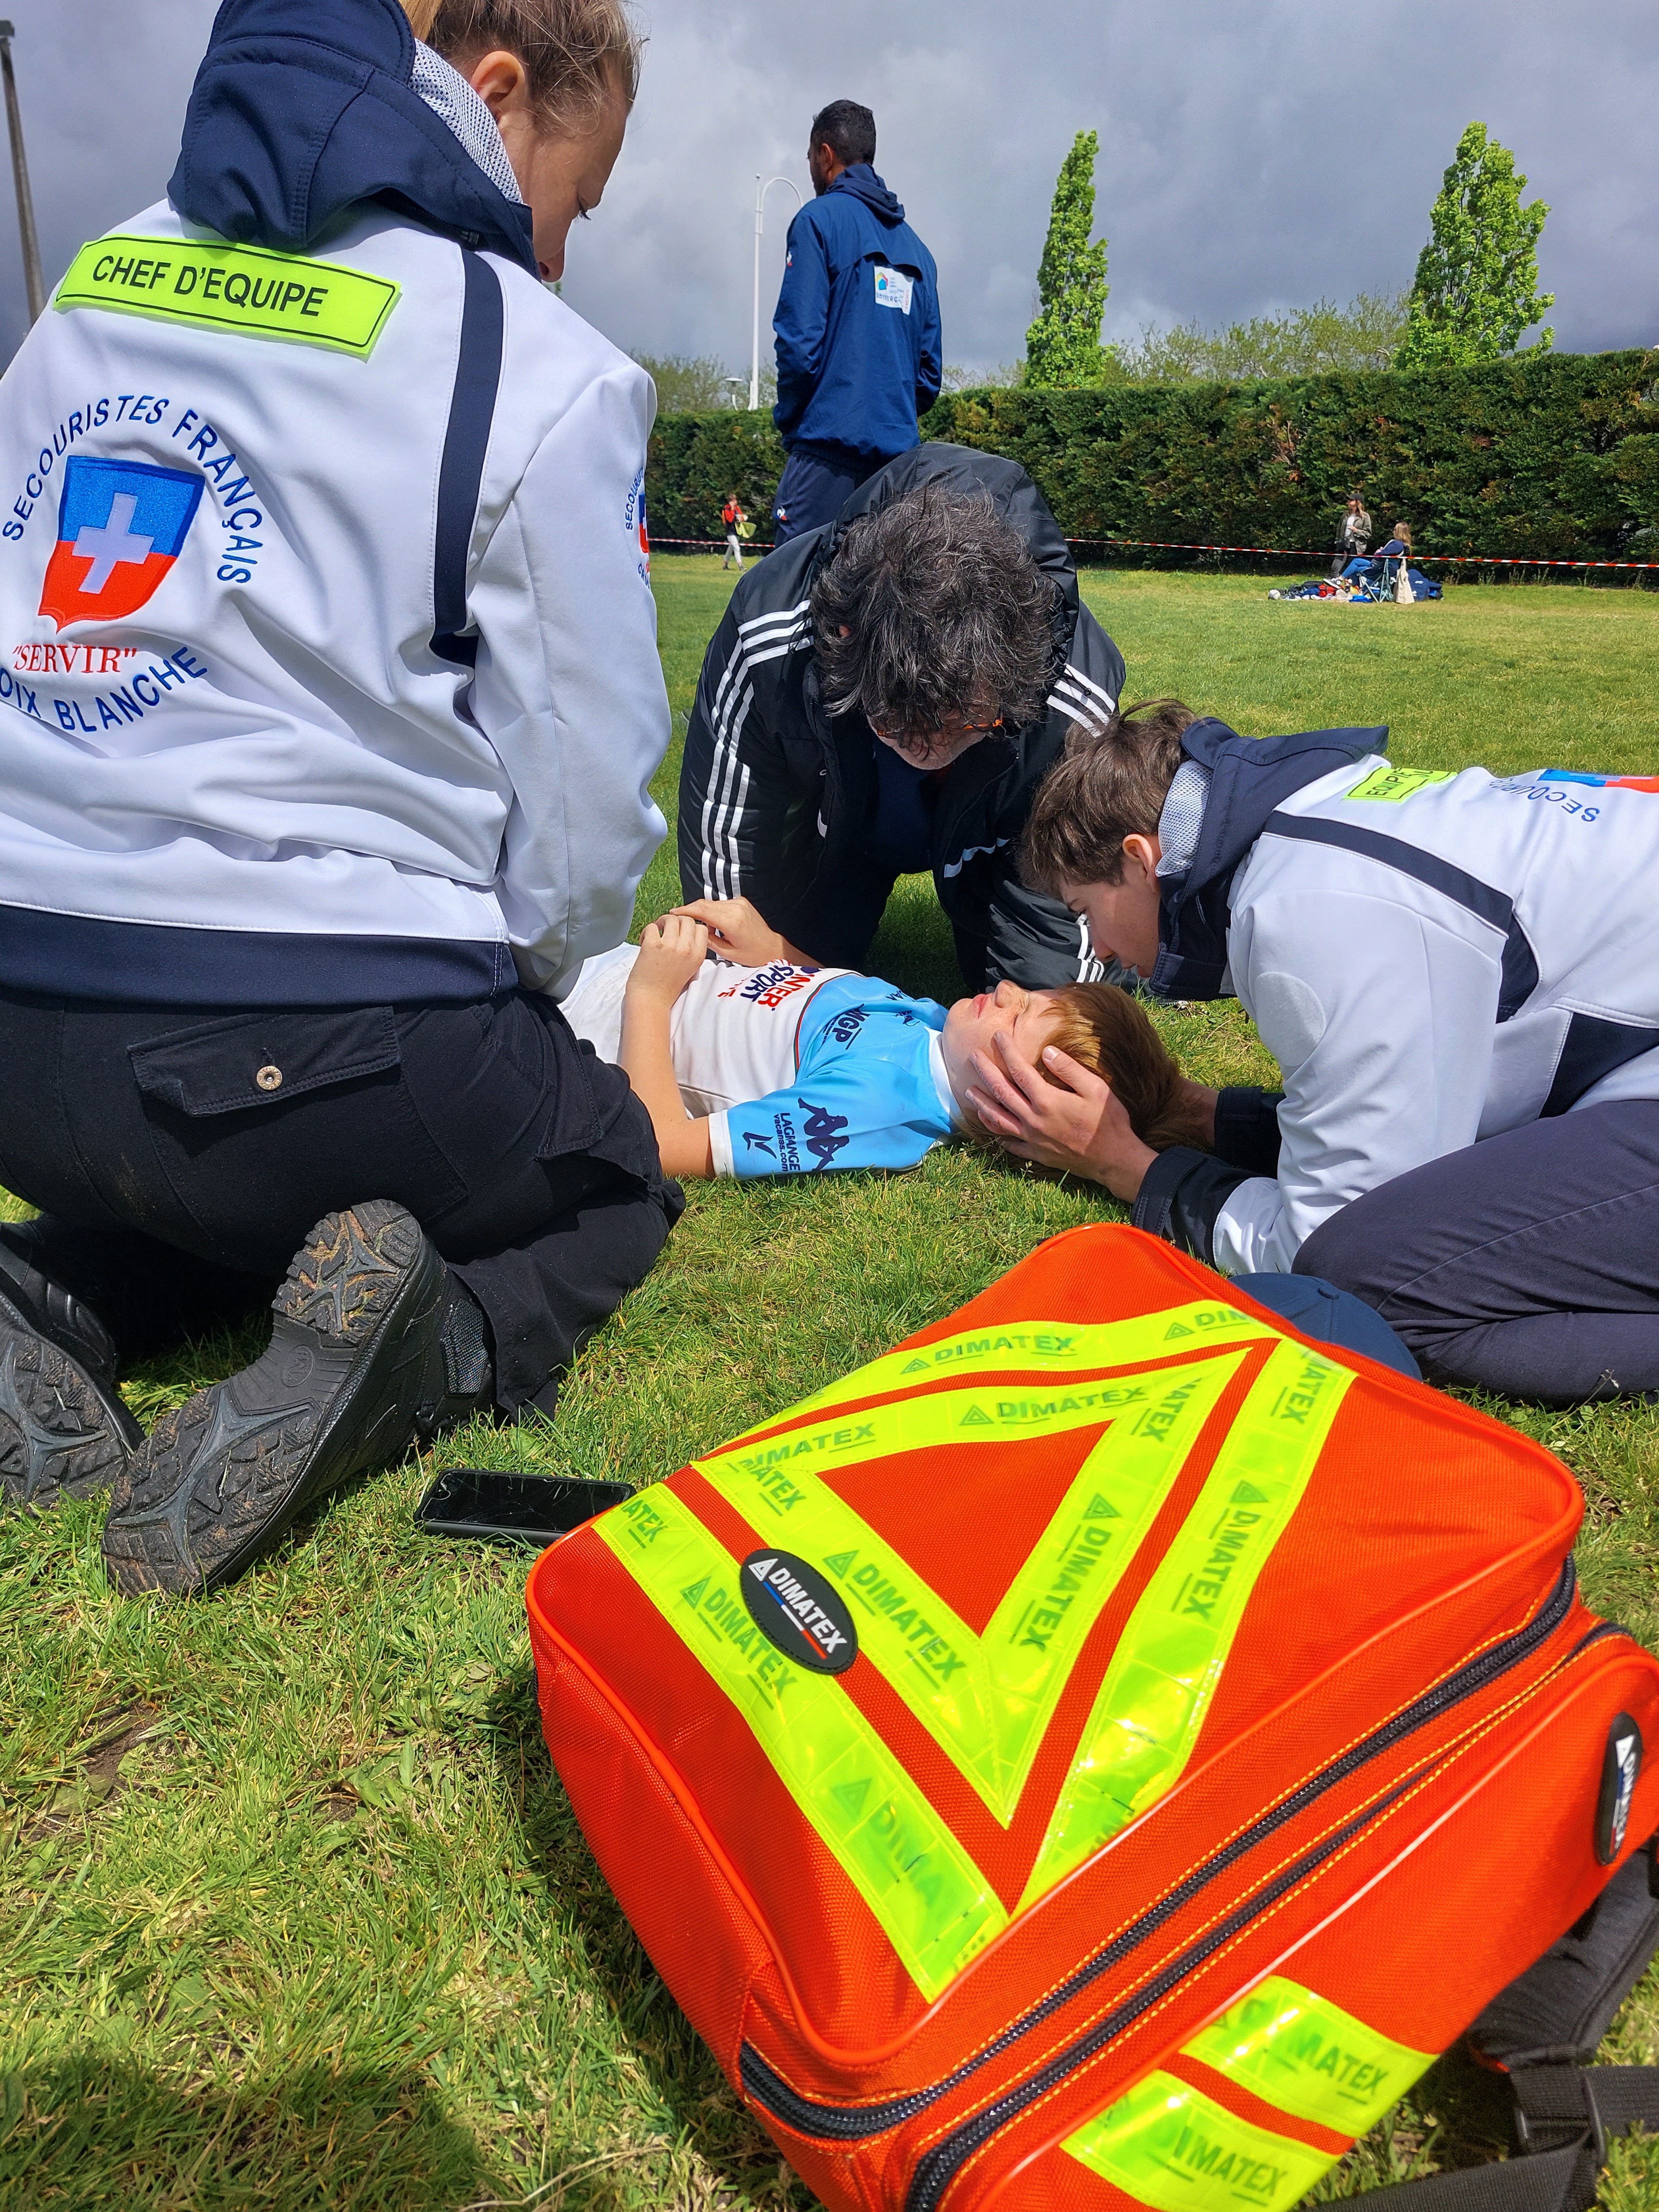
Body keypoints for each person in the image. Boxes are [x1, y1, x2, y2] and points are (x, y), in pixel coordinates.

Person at [0, 0, 682, 1593]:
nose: (558, 252)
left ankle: (55, 1287)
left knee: (216, 1169)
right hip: (310, 1029)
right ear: (492, 97)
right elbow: (583, 806)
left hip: (19, 1032)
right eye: (572, 202)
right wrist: (528, 993)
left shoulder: (90, 287)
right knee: (609, 1172)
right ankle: (434, 1342)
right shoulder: (527, 356)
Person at [963, 698, 1659, 1405]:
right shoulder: (1314, 819)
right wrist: (1202, 1116)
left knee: (1366, 1284)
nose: (1102, 951)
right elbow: (1422, 1122)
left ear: (1143, 861)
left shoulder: (1301, 913)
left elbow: (1323, 1241)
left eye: (1087, 913)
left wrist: (1127, 1166)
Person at [679, 444, 1127, 992]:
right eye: (894, 721)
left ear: (1014, 673)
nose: (925, 750)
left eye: (962, 723)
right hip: (841, 822)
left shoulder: (1072, 697)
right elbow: (728, 865)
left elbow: (1069, 900)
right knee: (769, 966)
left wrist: (1043, 1000)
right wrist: (746, 966)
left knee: (1037, 1005)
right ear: (843, 642)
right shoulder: (769, 636)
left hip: (996, 840)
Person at [554, 895, 1208, 1181]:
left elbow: (660, 1145)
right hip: (611, 965)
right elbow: (848, 1000)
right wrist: (774, 950)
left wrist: (650, 994)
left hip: (579, 1022)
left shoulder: (875, 1112)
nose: (1009, 991)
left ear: (1014, 1111)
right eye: (1035, 996)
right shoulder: (940, 1030)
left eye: (1016, 1022)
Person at [770, 100, 941, 546]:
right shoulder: (920, 253)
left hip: (823, 460)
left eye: (810, 156)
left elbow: (798, 347)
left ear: (826, 155)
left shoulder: (817, 222)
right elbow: (928, 379)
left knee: (798, 587)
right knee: (881, 592)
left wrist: (792, 420)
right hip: (897, 478)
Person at [1328, 493, 1371, 578]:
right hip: (1343, 544)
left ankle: (1349, 584)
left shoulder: (1365, 517)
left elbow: (1368, 534)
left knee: (1351, 569)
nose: (1349, 502)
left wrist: (1357, 531)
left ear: (1357, 502)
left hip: (1356, 546)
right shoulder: (1345, 515)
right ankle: (1334, 582)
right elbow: (1339, 529)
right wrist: (1338, 541)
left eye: (1351, 500)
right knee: (1335, 567)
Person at [721, 493, 749, 571]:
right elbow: (730, 519)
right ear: (730, 502)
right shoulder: (727, 509)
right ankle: (740, 566)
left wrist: (742, 518)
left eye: (736, 500)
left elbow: (741, 516)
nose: (736, 502)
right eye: (734, 501)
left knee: (731, 548)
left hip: (737, 531)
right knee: (737, 548)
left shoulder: (737, 508)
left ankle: (725, 564)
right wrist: (732, 509)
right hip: (730, 533)